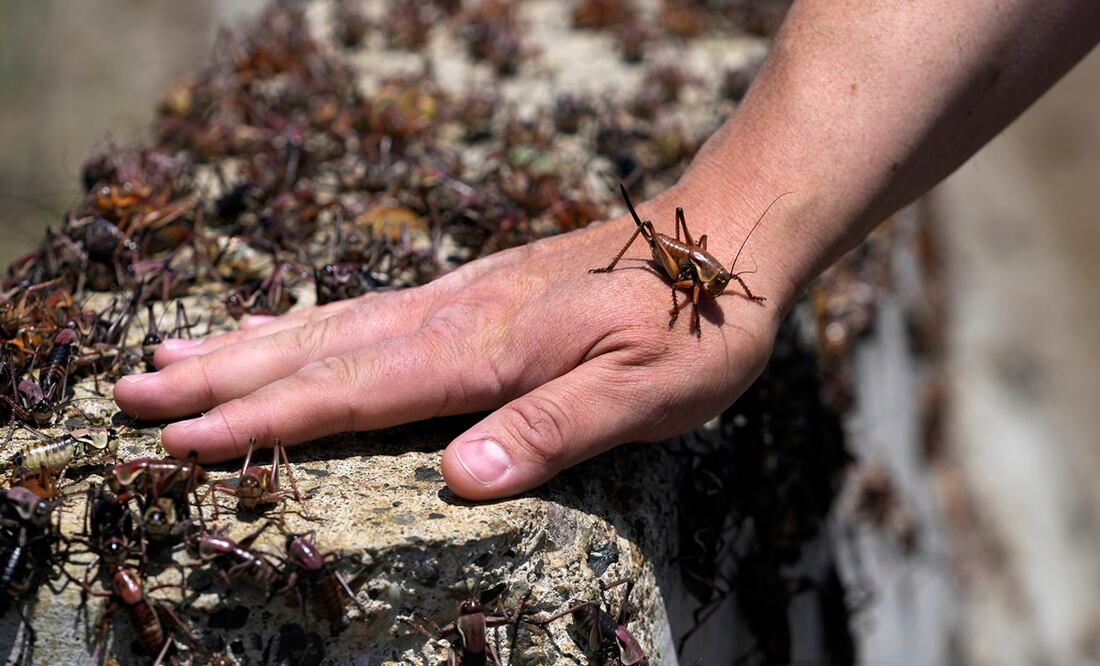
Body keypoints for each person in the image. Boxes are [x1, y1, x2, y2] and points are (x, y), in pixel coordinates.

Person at [114, 1, 1100, 501]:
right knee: (650, 240)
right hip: (662, 245)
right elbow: (682, 268)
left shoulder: (713, 287)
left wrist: (742, 229)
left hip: (695, 250)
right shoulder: (681, 275)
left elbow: (715, 276)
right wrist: (712, 224)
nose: (710, 293)